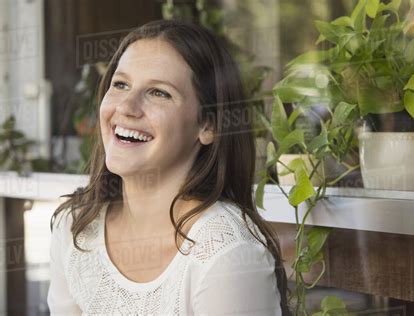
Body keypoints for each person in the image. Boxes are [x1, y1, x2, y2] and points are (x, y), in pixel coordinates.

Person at [47, 20, 289, 315]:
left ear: (207, 124)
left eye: (159, 92)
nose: (126, 107)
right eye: (121, 84)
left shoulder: (227, 251)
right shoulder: (75, 226)